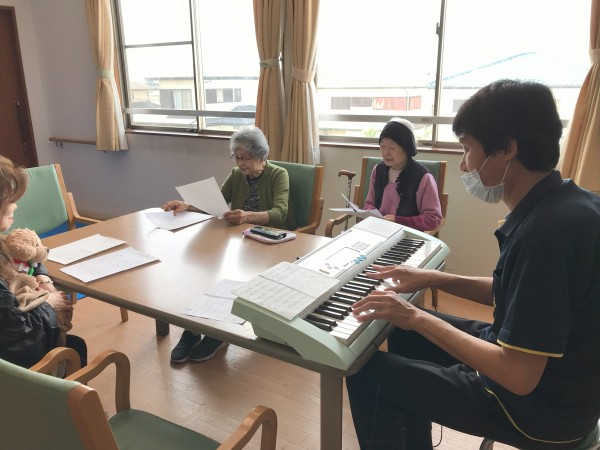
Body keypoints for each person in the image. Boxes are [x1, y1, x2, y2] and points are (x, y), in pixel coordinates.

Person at [346, 80, 600, 449]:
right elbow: (521, 294)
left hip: (540, 412)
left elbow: (518, 376)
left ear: (507, 149)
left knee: (367, 376)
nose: (464, 164)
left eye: (467, 149)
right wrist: (434, 278)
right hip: (565, 389)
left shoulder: (544, 235)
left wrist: (416, 315)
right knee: (402, 332)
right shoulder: (571, 205)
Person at [162, 126, 293, 363]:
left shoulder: (278, 174)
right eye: (237, 157)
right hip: (237, 238)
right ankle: (192, 330)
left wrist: (247, 216)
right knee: (205, 268)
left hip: (266, 241)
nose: (241, 163)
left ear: (261, 155)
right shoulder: (236, 175)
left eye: (246, 158)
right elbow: (216, 204)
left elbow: (280, 213)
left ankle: (219, 334)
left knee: (231, 279)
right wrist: (187, 205)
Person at [0, 156, 87, 368]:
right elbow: (19, 333)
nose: (16, 207)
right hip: (13, 368)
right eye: (11, 200)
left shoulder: (3, 242)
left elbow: (27, 257)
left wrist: (43, 276)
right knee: (76, 348)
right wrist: (49, 306)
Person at [363, 118, 442, 232]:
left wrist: (398, 220)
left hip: (407, 235)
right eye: (382, 146)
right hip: (378, 230)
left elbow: (433, 219)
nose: (385, 152)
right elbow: (369, 204)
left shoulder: (423, 178)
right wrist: (372, 214)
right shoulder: (378, 170)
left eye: (391, 147)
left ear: (406, 148)